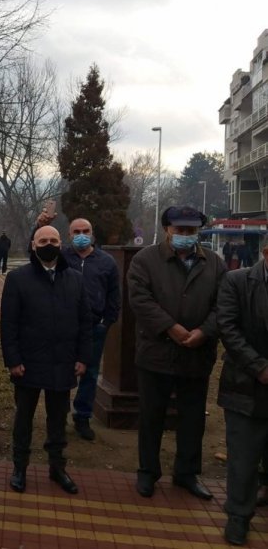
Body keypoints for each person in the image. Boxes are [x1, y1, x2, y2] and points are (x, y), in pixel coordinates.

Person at [127, 205, 225, 500]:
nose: (185, 234)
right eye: (179, 229)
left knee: (193, 419)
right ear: (167, 229)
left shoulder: (214, 263)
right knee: (151, 416)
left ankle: (187, 473)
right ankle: (147, 472)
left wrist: (204, 331)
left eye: (191, 230)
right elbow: (140, 300)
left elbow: (224, 305)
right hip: (156, 353)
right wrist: (171, 328)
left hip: (197, 354)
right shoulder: (145, 260)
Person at [0, 225, 91, 494]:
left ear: (61, 243)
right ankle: (20, 468)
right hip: (28, 363)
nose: (48, 245)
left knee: (58, 419)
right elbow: (9, 324)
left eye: (53, 240)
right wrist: (13, 360)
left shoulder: (75, 279)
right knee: (23, 419)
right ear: (33, 245)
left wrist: (83, 357)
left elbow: (85, 322)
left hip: (63, 361)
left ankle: (57, 467)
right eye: (43, 241)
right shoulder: (18, 278)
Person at [34, 214, 120, 441]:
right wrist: (40, 227)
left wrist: (106, 322)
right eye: (77, 232)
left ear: (92, 234)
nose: (82, 236)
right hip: (64, 326)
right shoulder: (60, 258)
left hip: (94, 328)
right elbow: (35, 258)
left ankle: (82, 416)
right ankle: (59, 416)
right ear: (69, 235)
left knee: (90, 373)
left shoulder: (107, 262)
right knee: (62, 371)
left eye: (86, 232)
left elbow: (114, 295)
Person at [216, 235, 268, 545]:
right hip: (246, 386)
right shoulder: (237, 281)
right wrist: (260, 367)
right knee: (243, 457)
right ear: (266, 252)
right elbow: (228, 327)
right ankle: (238, 516)